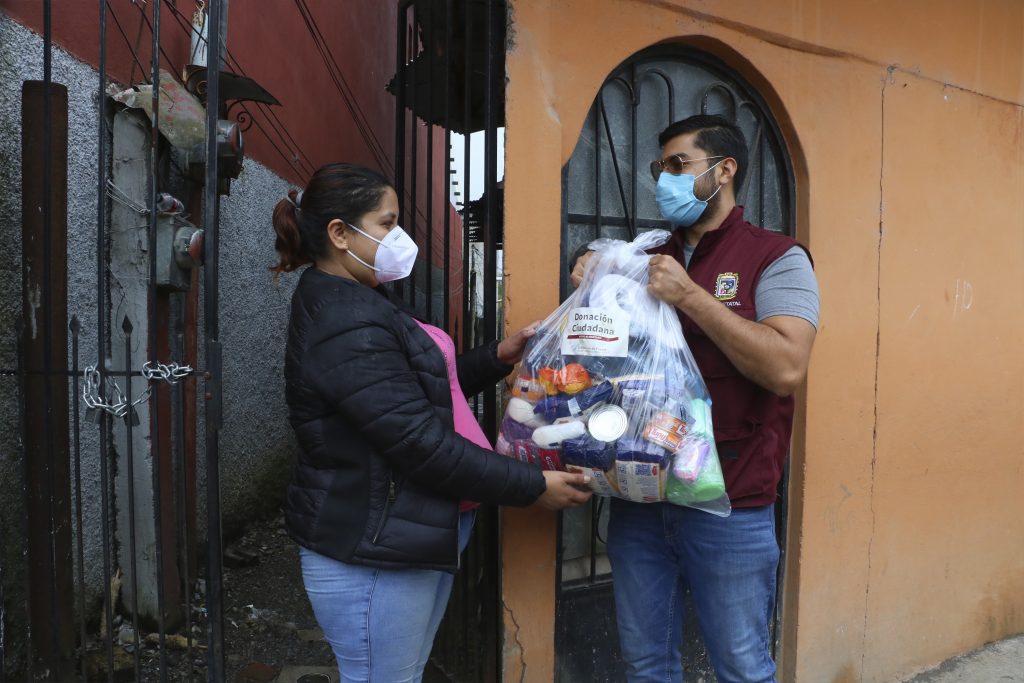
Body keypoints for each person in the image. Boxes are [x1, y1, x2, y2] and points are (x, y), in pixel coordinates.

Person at [273, 162, 592, 683]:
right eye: (386, 223)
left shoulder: (362, 298)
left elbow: (417, 393)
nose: (401, 237)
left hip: (406, 533)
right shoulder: (343, 319)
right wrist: (533, 485)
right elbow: (419, 442)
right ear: (339, 233)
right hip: (375, 549)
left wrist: (498, 356)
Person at [571, 115, 819, 683]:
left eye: (679, 165)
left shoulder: (777, 258)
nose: (665, 179)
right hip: (638, 496)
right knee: (646, 664)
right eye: (660, 168)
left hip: (730, 505)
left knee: (742, 668)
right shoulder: (643, 257)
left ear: (724, 170)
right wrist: (590, 268)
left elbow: (785, 368)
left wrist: (691, 297)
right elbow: (599, 357)